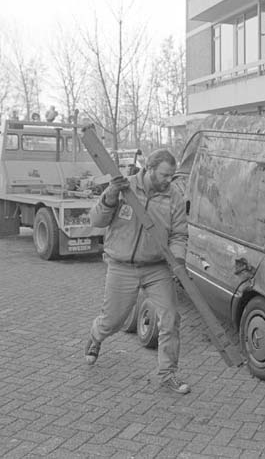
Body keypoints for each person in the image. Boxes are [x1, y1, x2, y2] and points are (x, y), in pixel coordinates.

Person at [84, 149, 190, 395]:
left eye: (172, 176)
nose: (168, 180)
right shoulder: (123, 188)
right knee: (113, 321)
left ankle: (167, 374)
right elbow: (96, 220)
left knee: (171, 319)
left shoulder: (173, 196)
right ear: (149, 169)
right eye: (164, 174)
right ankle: (96, 337)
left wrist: (179, 261)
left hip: (157, 268)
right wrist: (110, 196)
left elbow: (179, 235)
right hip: (122, 266)